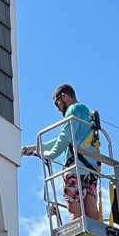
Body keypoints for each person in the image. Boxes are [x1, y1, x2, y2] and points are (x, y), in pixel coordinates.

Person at [23, 83, 99, 222]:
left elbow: (65, 137)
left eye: (57, 104)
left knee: (74, 211)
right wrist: (35, 148)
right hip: (90, 171)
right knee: (91, 213)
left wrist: (50, 155)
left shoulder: (73, 110)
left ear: (63, 96)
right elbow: (64, 140)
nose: (58, 109)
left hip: (75, 169)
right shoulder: (85, 112)